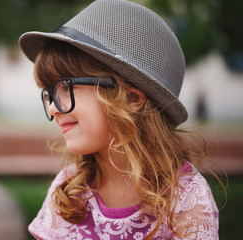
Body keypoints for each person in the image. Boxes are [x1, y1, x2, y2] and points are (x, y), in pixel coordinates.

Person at [19, 0, 219, 239]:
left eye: (65, 88)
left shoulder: (185, 200)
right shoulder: (69, 192)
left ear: (131, 98)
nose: (52, 108)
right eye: (50, 93)